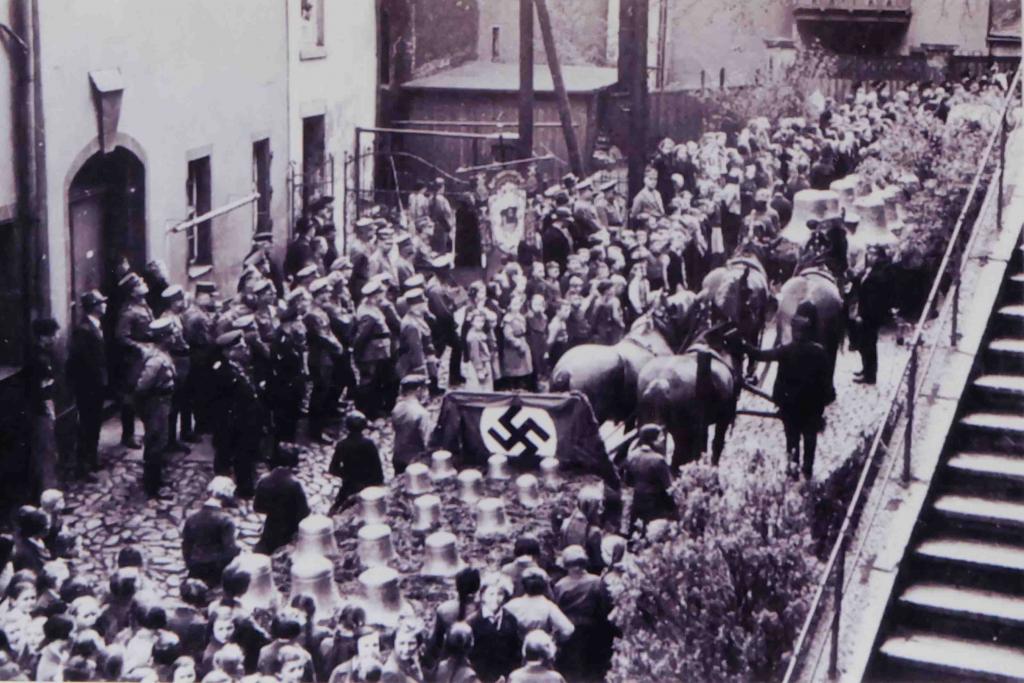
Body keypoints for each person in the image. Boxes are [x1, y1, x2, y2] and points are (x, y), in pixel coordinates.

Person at [741, 302, 833, 480]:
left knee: (791, 439)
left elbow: (760, 355)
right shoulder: (820, 353)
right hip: (811, 407)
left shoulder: (785, 351)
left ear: (794, 331)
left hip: (789, 405)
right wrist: (823, 402)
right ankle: (807, 470)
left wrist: (743, 344)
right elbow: (826, 384)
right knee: (810, 438)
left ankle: (792, 470)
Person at [552, 546, 613, 682]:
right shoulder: (597, 581)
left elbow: (556, 608)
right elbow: (604, 607)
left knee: (572, 669)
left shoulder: (560, 585)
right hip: (591, 630)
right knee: (590, 668)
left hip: (569, 632)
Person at [67, 290, 109, 481]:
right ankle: (83, 467)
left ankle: (92, 460)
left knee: (94, 425)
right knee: (87, 426)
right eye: (102, 302)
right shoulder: (84, 330)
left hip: (97, 385)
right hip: (88, 387)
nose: (105, 305)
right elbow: (81, 361)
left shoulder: (96, 326)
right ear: (94, 306)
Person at [135, 318, 177, 500]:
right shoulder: (156, 360)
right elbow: (142, 386)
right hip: (156, 403)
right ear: (163, 338)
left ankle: (157, 478)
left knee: (159, 441)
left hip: (162, 402)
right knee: (156, 443)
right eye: (171, 334)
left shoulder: (162, 353)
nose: (175, 336)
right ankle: (152, 485)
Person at [116, 272, 154, 449]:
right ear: (132, 292)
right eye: (140, 283)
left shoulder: (143, 305)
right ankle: (128, 435)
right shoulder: (128, 312)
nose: (144, 283)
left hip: (147, 355)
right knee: (130, 398)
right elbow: (121, 337)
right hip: (134, 360)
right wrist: (140, 347)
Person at [182, 477, 240, 586]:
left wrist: (190, 564)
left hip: (196, 567)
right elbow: (230, 550)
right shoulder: (226, 520)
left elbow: (186, 545)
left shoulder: (192, 518)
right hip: (216, 569)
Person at [252, 447, 310, 555]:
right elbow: (304, 512)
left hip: (271, 526)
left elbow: (257, 507)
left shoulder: (264, 480)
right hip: (290, 528)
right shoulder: (294, 484)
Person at [851, 244, 893, 386]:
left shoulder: (881, 272)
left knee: (869, 344)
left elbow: (873, 297)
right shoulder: (871, 270)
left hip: (870, 315)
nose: (870, 256)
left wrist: (862, 314)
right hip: (866, 312)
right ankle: (865, 369)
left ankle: (870, 375)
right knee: (864, 344)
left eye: (874, 254)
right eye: (869, 254)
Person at [352, 280, 394, 420]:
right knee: (369, 383)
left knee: (375, 382)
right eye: (380, 294)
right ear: (374, 296)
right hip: (371, 354)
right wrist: (357, 355)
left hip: (378, 351)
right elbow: (361, 338)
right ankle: (365, 412)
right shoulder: (368, 314)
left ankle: (373, 409)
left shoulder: (371, 307)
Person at [27, 318, 60, 496]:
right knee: (46, 453)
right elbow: (43, 390)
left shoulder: (40, 354)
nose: (56, 338)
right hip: (40, 411)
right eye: (54, 334)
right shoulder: (40, 359)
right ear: (45, 336)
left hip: (38, 409)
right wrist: (50, 410)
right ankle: (48, 496)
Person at [328, 411, 384, 514]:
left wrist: (347, 475)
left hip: (349, 486)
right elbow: (377, 468)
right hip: (368, 484)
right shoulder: (369, 444)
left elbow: (333, 469)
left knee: (337, 511)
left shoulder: (342, 445)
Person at [623, 424, 675, 528]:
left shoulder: (631, 456)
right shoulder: (658, 460)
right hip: (655, 505)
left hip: (637, 501)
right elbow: (669, 487)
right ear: (652, 440)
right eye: (659, 438)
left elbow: (628, 481)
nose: (662, 440)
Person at [390, 375, 431, 476]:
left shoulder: (397, 408)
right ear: (419, 390)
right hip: (416, 462)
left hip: (398, 457)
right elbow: (428, 441)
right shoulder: (421, 413)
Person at [396, 289, 438, 388]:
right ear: (417, 305)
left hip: (421, 359)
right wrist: (421, 370)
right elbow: (416, 349)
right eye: (423, 302)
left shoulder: (418, 317)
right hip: (412, 365)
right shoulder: (412, 325)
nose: (426, 303)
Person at [501, 291, 533, 391]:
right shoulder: (508, 319)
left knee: (524, 368)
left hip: (522, 342)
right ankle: (513, 387)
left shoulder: (520, 317)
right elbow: (508, 335)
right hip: (513, 348)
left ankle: (522, 386)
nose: (517, 306)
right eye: (514, 304)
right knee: (515, 369)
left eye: (518, 303)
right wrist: (516, 342)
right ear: (509, 305)